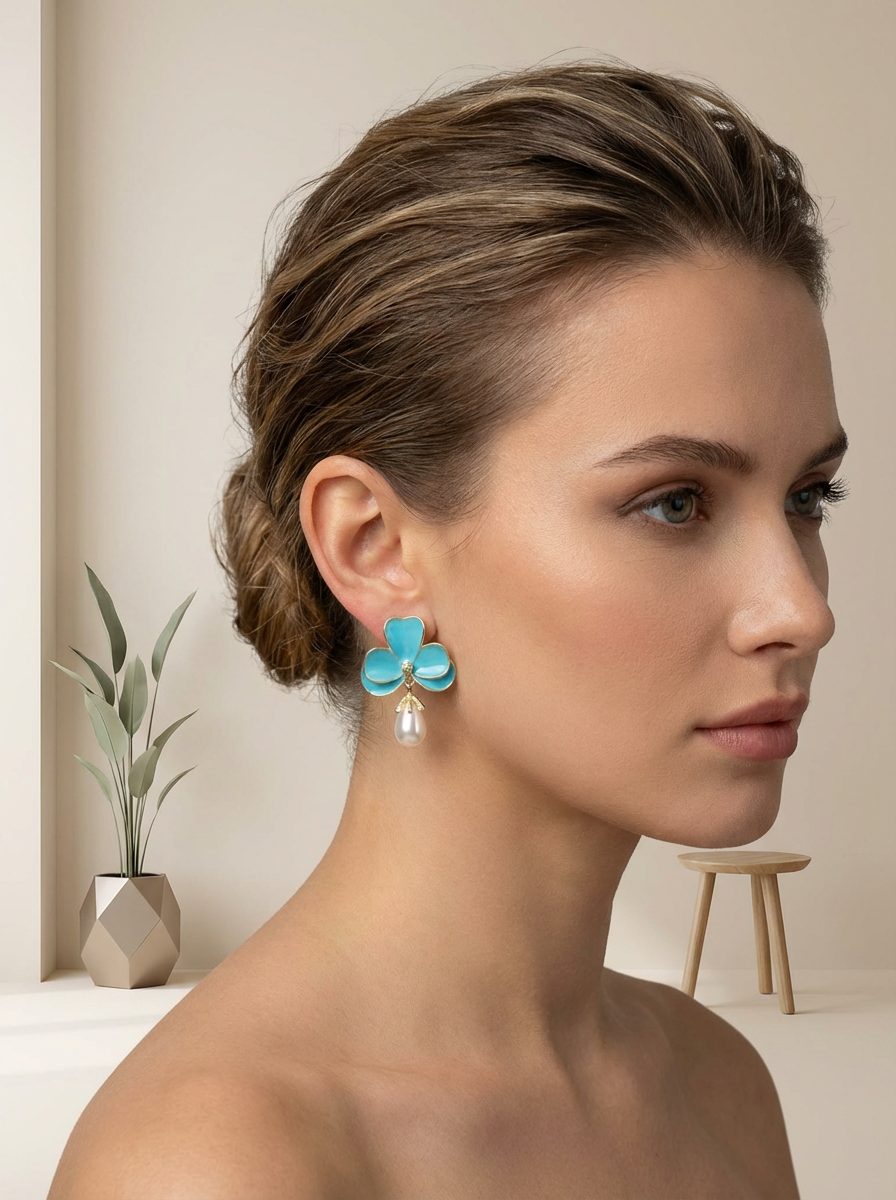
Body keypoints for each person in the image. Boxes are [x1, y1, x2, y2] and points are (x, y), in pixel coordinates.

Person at [50, 58, 848, 1198]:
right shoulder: (215, 1166)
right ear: (376, 547)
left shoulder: (718, 1086)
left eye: (809, 497)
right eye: (674, 503)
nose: (801, 610)